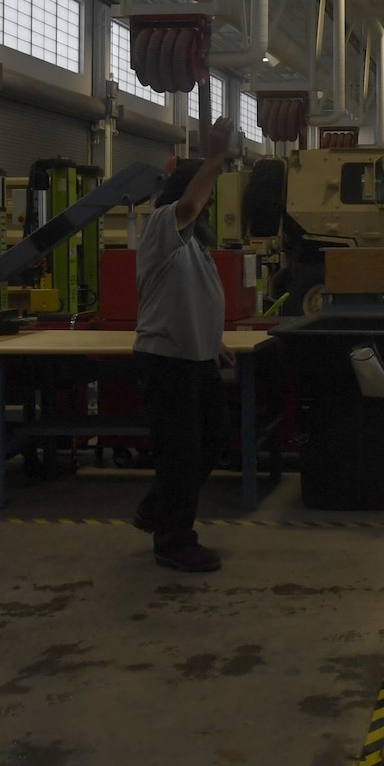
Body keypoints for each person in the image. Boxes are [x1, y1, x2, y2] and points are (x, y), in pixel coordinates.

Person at [131, 116, 235, 571]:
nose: (207, 209)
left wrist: (214, 343)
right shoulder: (160, 227)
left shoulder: (195, 245)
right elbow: (191, 206)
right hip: (167, 359)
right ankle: (173, 541)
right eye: (205, 198)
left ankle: (156, 509)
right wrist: (214, 156)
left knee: (214, 439)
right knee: (181, 452)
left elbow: (195, 301)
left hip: (196, 358)